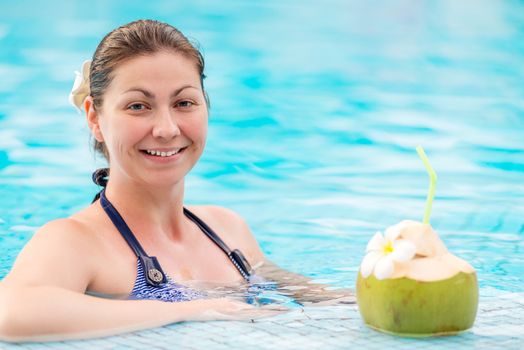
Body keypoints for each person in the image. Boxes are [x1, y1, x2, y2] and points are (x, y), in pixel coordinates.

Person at [0, 19, 353, 343]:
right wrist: (192, 310)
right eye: (138, 106)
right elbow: (12, 313)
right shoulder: (75, 241)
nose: (167, 129)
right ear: (95, 117)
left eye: (184, 103)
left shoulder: (226, 229)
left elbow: (326, 302)